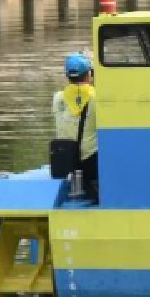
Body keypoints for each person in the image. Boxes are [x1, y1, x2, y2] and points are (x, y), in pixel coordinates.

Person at [52, 51, 99, 202]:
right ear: (89, 74)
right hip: (91, 161)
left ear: (67, 75)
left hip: (65, 161)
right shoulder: (96, 98)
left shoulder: (58, 98)